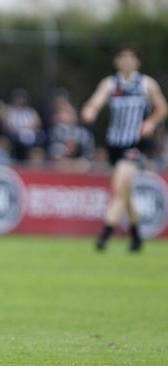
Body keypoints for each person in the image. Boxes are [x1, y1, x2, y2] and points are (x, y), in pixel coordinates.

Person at [81, 47, 167, 252]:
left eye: (130, 57)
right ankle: (137, 236)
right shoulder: (110, 83)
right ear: (116, 61)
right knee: (125, 192)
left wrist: (151, 122)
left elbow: (162, 107)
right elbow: (96, 101)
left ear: (137, 62)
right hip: (114, 144)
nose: (126, 61)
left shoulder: (146, 84)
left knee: (119, 186)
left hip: (135, 143)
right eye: (122, 57)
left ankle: (105, 233)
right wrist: (90, 110)